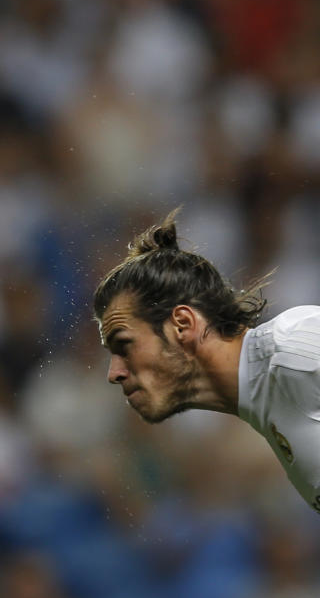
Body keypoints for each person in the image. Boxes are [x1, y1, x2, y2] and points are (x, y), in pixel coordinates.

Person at [93, 208, 320, 513]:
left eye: (125, 345)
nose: (114, 373)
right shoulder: (267, 397)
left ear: (183, 325)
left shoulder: (292, 348)